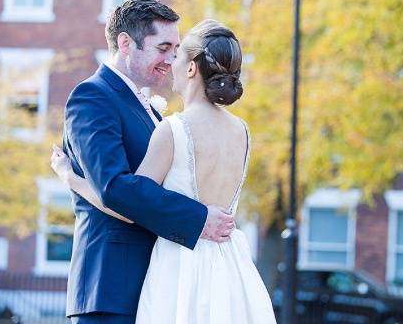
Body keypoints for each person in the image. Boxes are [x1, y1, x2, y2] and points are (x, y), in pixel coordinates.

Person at [52, 17, 276, 323]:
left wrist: (71, 178)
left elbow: (127, 198)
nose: (171, 60)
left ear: (192, 68)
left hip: (177, 270)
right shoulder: (242, 131)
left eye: (176, 52)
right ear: (125, 43)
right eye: (165, 48)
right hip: (227, 269)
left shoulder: (174, 127)